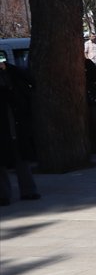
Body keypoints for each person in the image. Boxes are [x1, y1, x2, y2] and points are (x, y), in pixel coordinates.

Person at [0, 53, 39, 204]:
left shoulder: (13, 73)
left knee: (21, 159)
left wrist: (7, 69)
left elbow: (30, 81)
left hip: (14, 124)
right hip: (5, 126)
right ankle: (3, 195)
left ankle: (29, 191)